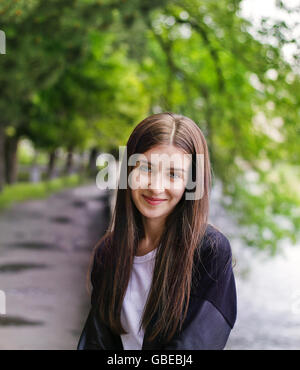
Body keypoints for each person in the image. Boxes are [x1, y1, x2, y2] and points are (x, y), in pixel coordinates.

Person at [77, 112, 237, 350]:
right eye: (146, 169)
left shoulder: (209, 252)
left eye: (173, 174)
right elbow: (96, 342)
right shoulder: (109, 252)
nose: (156, 186)